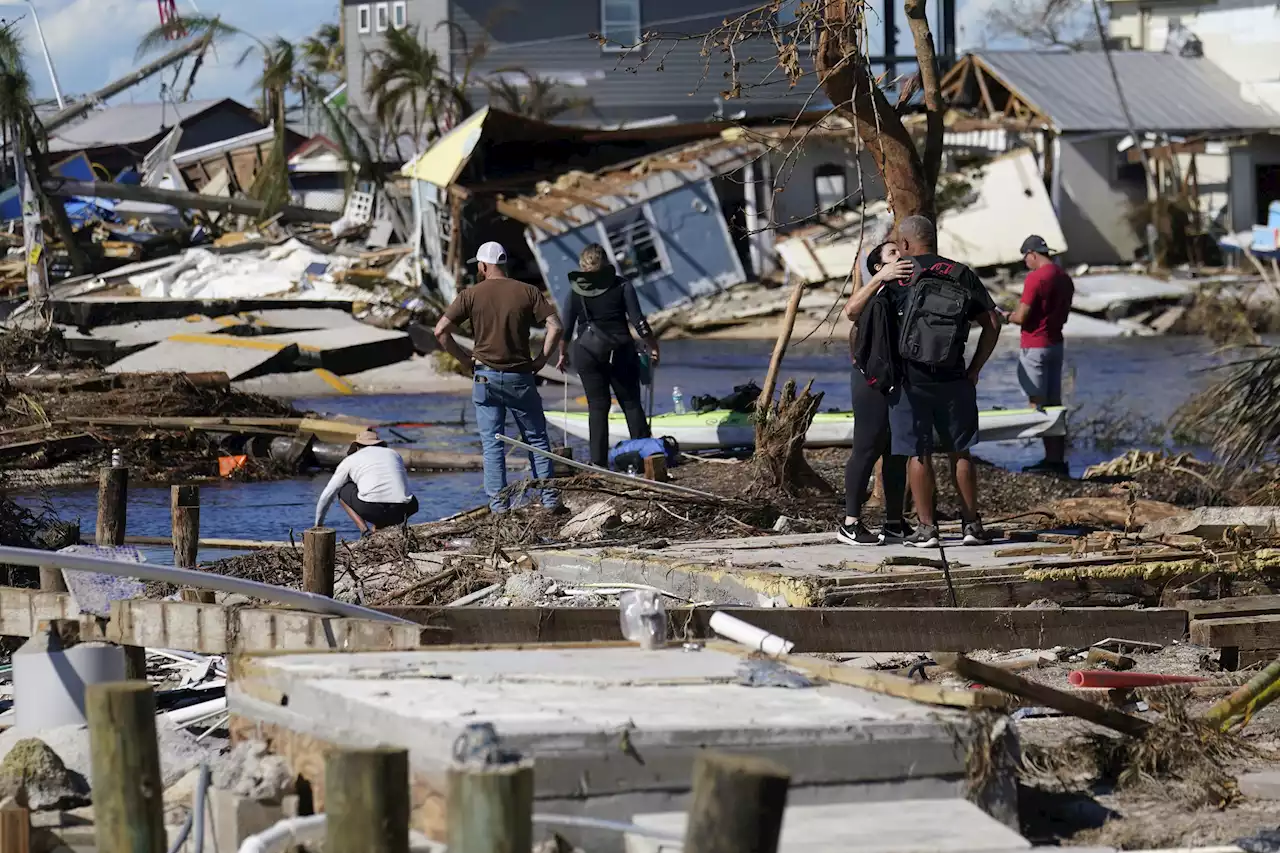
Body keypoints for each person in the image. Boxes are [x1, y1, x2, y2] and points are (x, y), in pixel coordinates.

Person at [886, 215, 1002, 548]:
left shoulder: (901, 275)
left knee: (917, 453)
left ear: (906, 244)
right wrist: (975, 368)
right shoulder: (960, 273)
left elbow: (871, 324)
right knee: (960, 450)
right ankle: (971, 526)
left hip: (910, 379)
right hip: (954, 376)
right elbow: (992, 323)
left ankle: (927, 529)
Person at [434, 240, 564, 513]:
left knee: (492, 444)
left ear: (482, 266)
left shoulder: (470, 295)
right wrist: (541, 360)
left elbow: (440, 331)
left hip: (485, 377)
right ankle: (550, 502)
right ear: (503, 264)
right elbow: (555, 326)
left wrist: (464, 360)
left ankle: (499, 509)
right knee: (537, 439)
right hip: (520, 376)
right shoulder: (528, 291)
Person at [556, 243, 661, 469]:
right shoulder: (622, 286)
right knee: (631, 403)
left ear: (582, 266)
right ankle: (645, 458)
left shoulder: (575, 290)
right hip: (620, 350)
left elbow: (565, 328)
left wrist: (562, 353)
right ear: (605, 263)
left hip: (585, 352)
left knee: (597, 406)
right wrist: (653, 346)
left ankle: (599, 464)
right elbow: (639, 322)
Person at [837, 240, 914, 545]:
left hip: (899, 380)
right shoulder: (877, 290)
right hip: (869, 382)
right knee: (866, 448)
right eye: (893, 254)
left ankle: (894, 522)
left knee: (896, 453)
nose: (900, 257)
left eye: (901, 251)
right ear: (879, 267)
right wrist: (881, 277)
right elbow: (850, 311)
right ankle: (850, 523)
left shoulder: (906, 291)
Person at [1007, 234, 1074, 477]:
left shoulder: (1036, 278)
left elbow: (1022, 316)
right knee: (1055, 404)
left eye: (1026, 257)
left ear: (1032, 254)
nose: (1025, 262)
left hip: (1035, 346)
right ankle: (1056, 460)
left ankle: (1048, 460)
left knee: (1038, 405)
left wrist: (1005, 316)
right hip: (1056, 344)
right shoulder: (1064, 277)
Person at [315, 430, 419, 534]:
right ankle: (383, 527)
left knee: (342, 488)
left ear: (357, 447)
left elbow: (328, 494)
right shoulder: (394, 454)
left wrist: (318, 524)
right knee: (395, 493)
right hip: (403, 509)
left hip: (372, 509)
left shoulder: (350, 459)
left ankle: (365, 531)